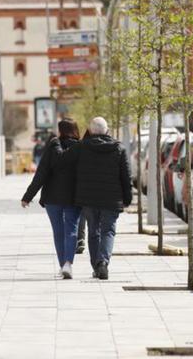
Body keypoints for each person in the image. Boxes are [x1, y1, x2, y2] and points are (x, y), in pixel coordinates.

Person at [66, 117, 132, 280]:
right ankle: (102, 262)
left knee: (93, 231)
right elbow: (126, 176)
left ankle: (97, 266)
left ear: (90, 131)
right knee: (108, 230)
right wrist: (127, 198)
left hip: (88, 198)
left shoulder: (81, 147)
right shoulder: (119, 148)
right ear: (107, 131)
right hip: (111, 198)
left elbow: (68, 168)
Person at [20, 119, 81, 279]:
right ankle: (68, 263)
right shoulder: (81, 148)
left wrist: (28, 196)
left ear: (60, 131)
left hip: (53, 198)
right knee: (72, 229)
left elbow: (41, 174)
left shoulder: (53, 146)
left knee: (58, 232)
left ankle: (63, 266)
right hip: (74, 197)